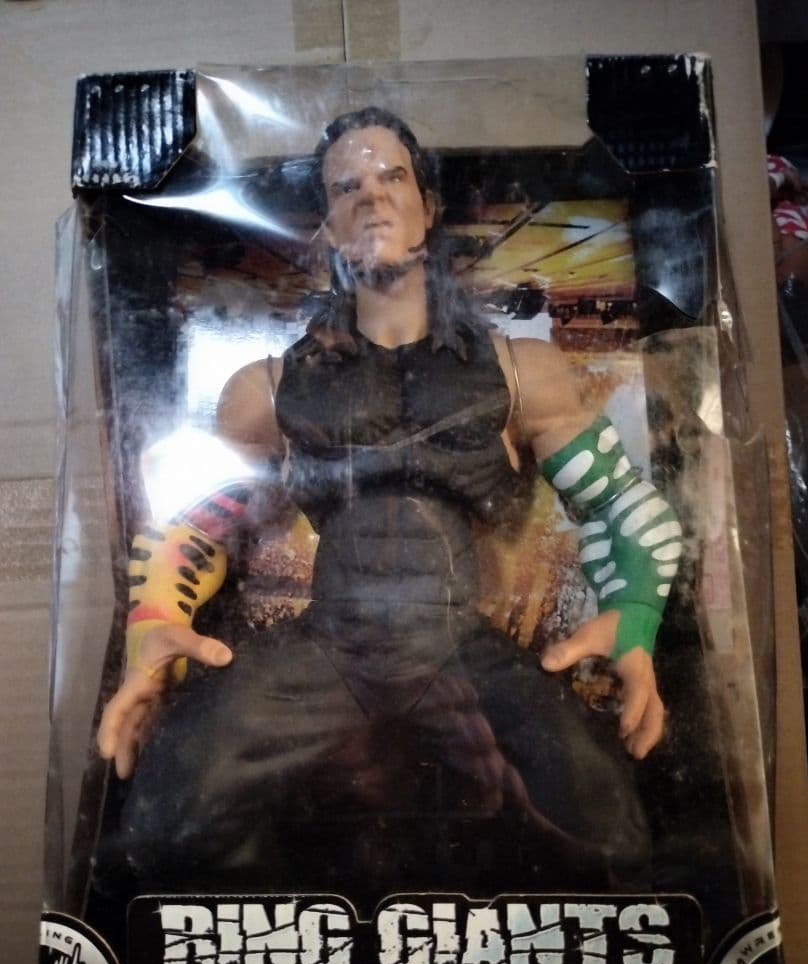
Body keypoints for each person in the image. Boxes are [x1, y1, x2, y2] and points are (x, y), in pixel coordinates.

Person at [96, 108, 681, 904]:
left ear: (427, 206)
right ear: (328, 228)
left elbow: (620, 503)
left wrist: (635, 618)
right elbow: (192, 521)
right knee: (164, 827)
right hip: (327, 650)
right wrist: (154, 623)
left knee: (613, 833)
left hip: (459, 649)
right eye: (347, 188)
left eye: (391, 177)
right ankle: (310, 934)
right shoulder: (269, 387)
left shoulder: (520, 371)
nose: (372, 198)